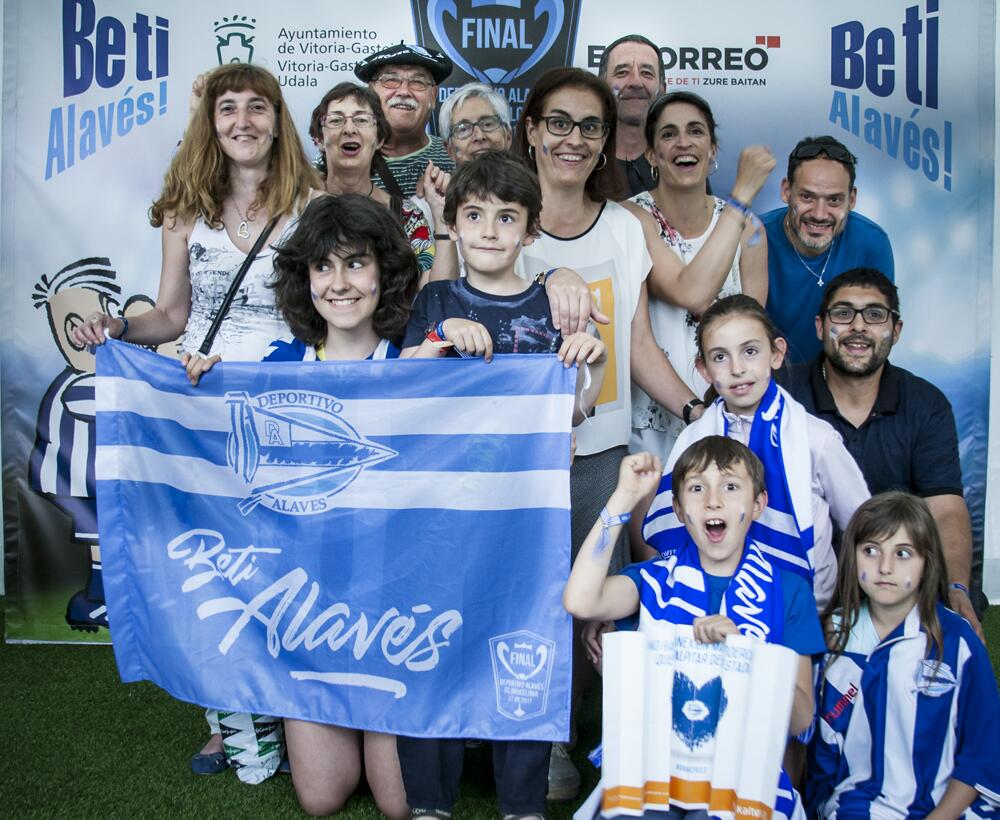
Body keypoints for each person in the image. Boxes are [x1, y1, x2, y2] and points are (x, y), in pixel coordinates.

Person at [71, 62, 320, 782]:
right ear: (210, 124)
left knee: (281, 558)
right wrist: (119, 323)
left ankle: (283, 703)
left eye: (257, 107)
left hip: (285, 407)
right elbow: (172, 316)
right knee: (216, 563)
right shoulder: (187, 210)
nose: (242, 121)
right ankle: (226, 714)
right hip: (199, 406)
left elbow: (331, 306)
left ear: (278, 119)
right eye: (227, 110)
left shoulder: (312, 203)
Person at [396, 150, 606, 820]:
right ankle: (430, 802)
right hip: (442, 514)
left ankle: (522, 803)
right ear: (453, 224)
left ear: (530, 232)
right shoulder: (436, 297)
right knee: (434, 643)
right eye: (475, 215)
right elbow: (400, 382)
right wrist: (437, 337)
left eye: (506, 217)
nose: (489, 229)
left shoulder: (555, 305)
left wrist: (590, 367)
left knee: (527, 642)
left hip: (527, 520)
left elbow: (573, 411)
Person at [513, 65, 703, 801]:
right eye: (557, 122)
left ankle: (596, 744)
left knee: (594, 605)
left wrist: (700, 413)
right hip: (516, 461)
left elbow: (641, 349)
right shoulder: (494, 216)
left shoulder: (626, 228)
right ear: (530, 129)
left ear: (604, 143)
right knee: (527, 601)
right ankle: (533, 741)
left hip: (603, 456)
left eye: (589, 126)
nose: (573, 138)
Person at [564, 438, 826, 819]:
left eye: (731, 487)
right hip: (655, 772)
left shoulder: (788, 591)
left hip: (741, 780)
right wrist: (623, 497)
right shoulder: (655, 579)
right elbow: (580, 601)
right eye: (697, 488)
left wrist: (747, 652)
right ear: (679, 509)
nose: (713, 501)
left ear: (758, 505)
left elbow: (801, 719)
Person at [259, 195, 418, 817]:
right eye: (323, 268)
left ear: (385, 273)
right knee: (321, 799)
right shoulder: (274, 369)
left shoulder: (419, 366)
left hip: (397, 615)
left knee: (401, 806)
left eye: (356, 264)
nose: (341, 283)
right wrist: (194, 385)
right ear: (305, 280)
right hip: (310, 614)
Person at [778, 268, 984, 640]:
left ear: (896, 330)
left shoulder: (925, 403)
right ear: (820, 326)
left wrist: (957, 588)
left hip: (891, 574)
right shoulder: (781, 393)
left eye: (874, 315)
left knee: (950, 623)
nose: (859, 326)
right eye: (843, 313)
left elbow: (946, 507)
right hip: (801, 571)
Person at [639, 295, 870, 612]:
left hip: (804, 613)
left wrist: (851, 611)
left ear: (776, 354)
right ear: (703, 369)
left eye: (750, 351)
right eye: (720, 357)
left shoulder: (815, 438)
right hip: (708, 610)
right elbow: (674, 531)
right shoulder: (691, 442)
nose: (737, 369)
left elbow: (865, 525)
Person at [807, 492, 1000, 817]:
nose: (885, 567)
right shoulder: (833, 638)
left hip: (953, 807)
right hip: (862, 804)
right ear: (852, 556)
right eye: (871, 550)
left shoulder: (956, 641)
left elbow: (983, 750)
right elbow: (820, 756)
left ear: (927, 561)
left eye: (903, 553)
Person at [625, 90, 773, 463]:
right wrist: (741, 195)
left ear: (712, 150)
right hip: (650, 421)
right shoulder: (631, 219)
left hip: (726, 418)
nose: (684, 142)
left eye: (695, 131)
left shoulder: (750, 230)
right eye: (669, 134)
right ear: (652, 155)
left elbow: (751, 338)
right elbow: (690, 291)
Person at [308, 81, 456, 287]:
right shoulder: (298, 209)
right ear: (318, 139)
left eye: (361, 120)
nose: (349, 129)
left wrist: (441, 215)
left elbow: (438, 296)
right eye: (336, 120)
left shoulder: (407, 218)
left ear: (379, 139)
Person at [762, 135, 894, 363]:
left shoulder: (872, 242)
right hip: (767, 377)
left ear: (851, 200)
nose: (819, 214)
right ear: (786, 191)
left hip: (840, 376)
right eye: (807, 197)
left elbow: (878, 332)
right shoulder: (754, 237)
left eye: (834, 200)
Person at [355, 43, 455, 197]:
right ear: (371, 92)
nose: (403, 91)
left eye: (418, 82)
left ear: (433, 96)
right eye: (390, 80)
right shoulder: (343, 158)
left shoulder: (454, 159)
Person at [597, 34, 664, 197]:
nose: (635, 82)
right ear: (602, 86)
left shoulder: (678, 158)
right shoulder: (582, 158)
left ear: (662, 89)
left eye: (647, 73)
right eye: (622, 72)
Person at [438, 81, 513, 165]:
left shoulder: (528, 178)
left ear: (508, 136)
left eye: (487, 124)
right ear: (450, 150)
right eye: (463, 129)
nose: (479, 136)